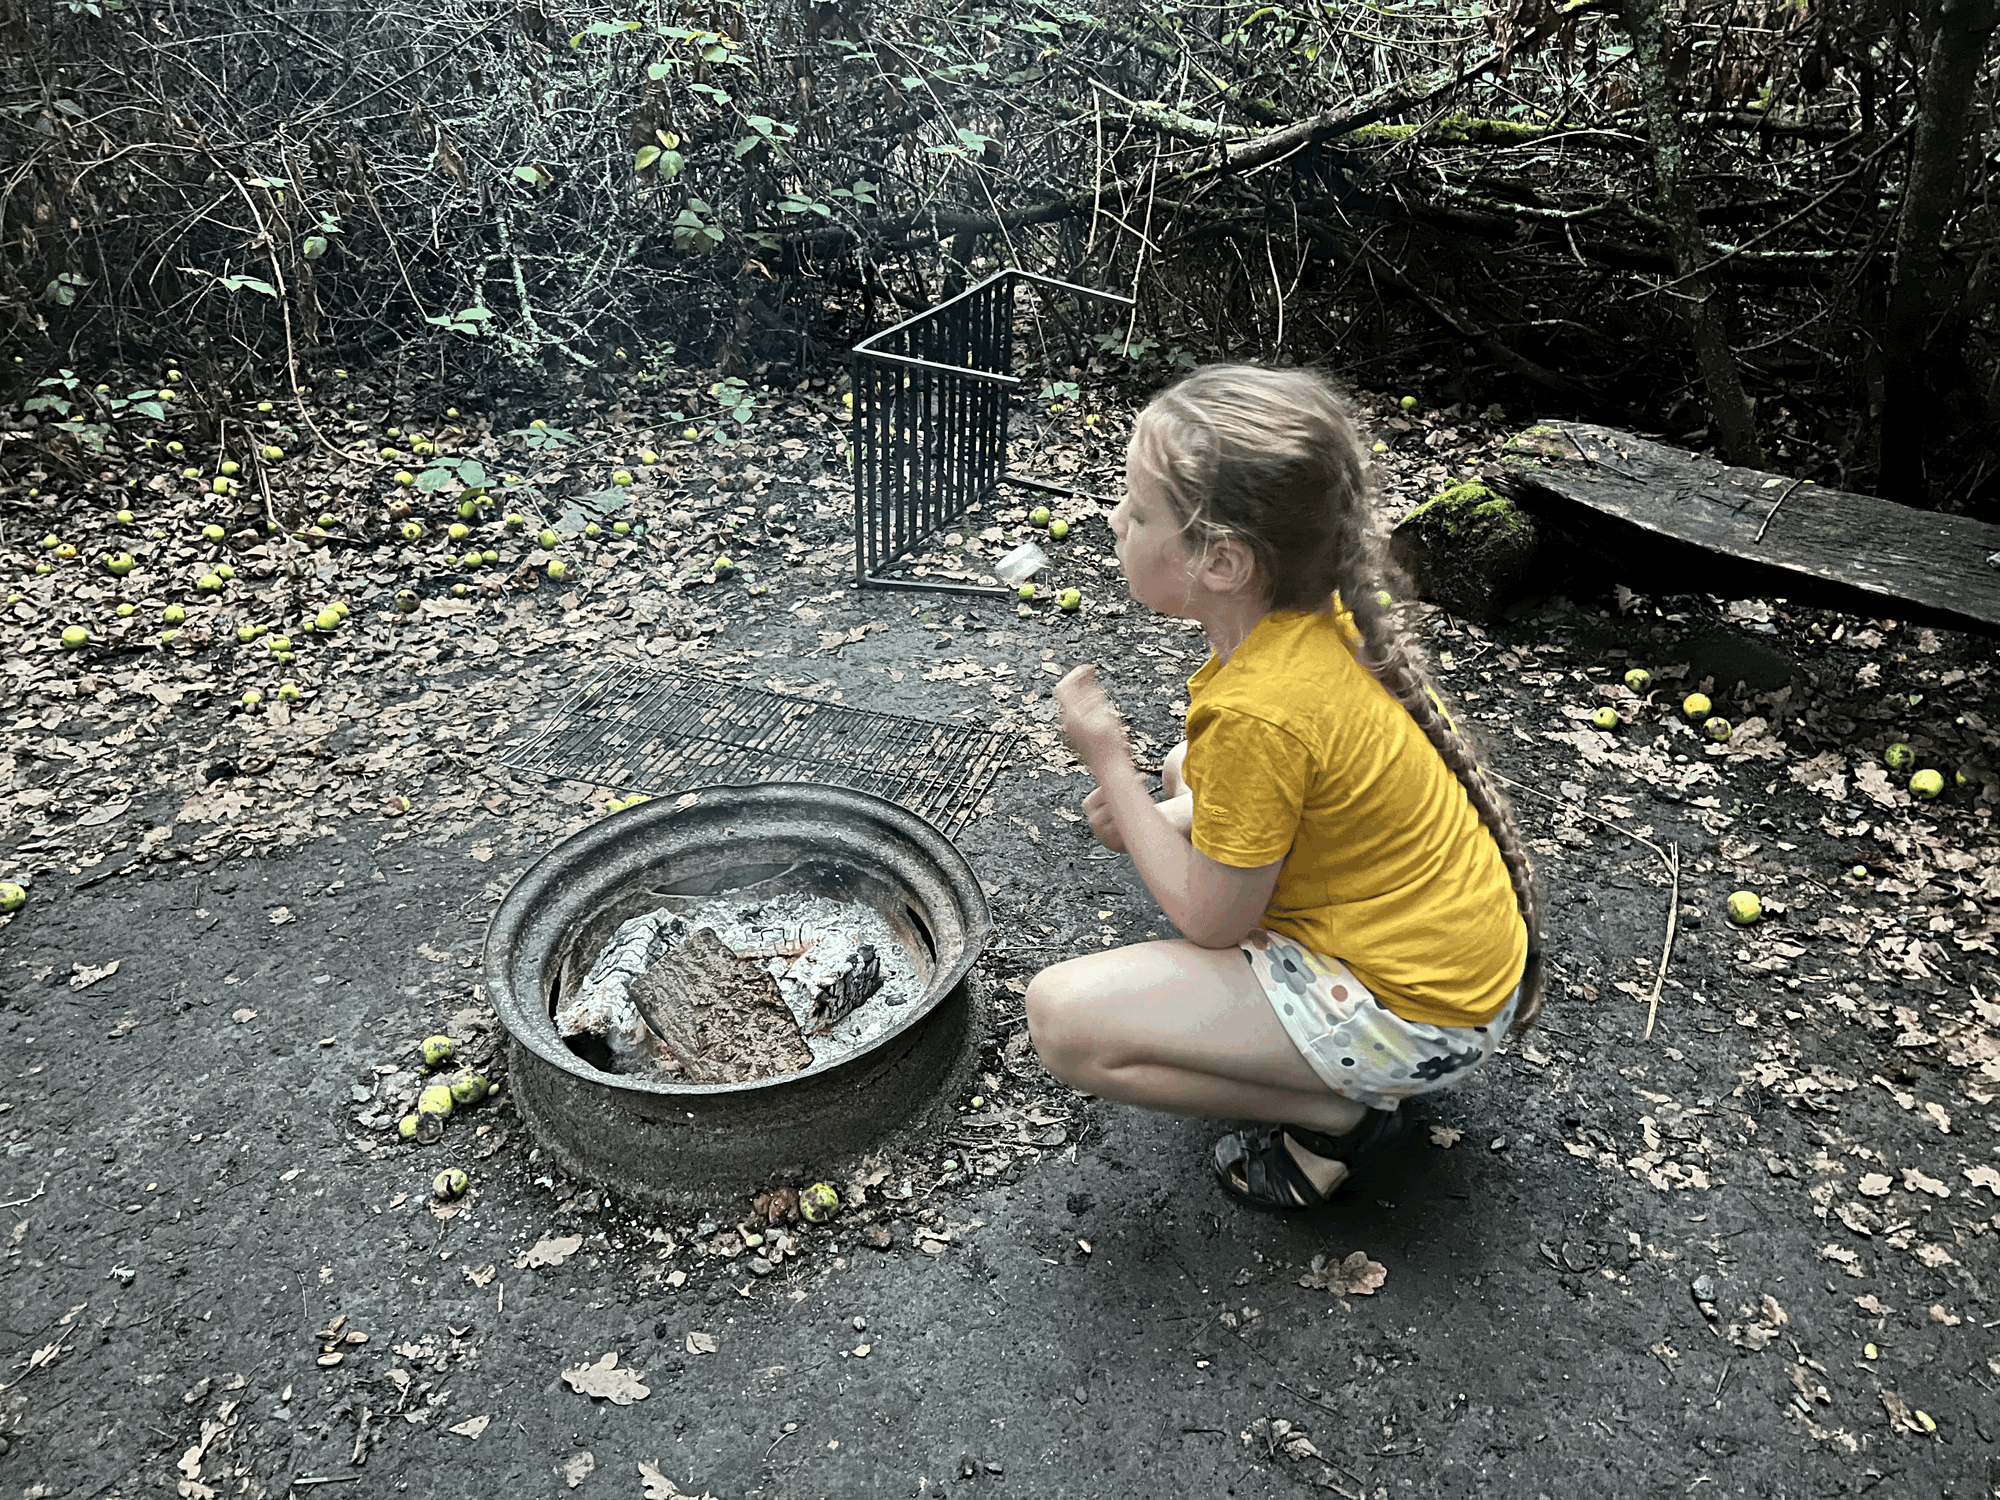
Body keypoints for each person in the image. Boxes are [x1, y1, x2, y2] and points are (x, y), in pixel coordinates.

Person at [1025, 365, 1544, 1212]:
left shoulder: (1261, 711)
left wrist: (1109, 765)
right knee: (1183, 776)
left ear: (1223, 561)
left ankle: (1337, 1112)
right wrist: (1169, 810)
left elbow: (1209, 918)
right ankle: (1325, 1062)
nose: (1113, 519)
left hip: (1421, 1014)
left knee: (1063, 1023)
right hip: (1457, 966)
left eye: (1138, 509)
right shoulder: (1318, 615)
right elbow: (1319, 796)